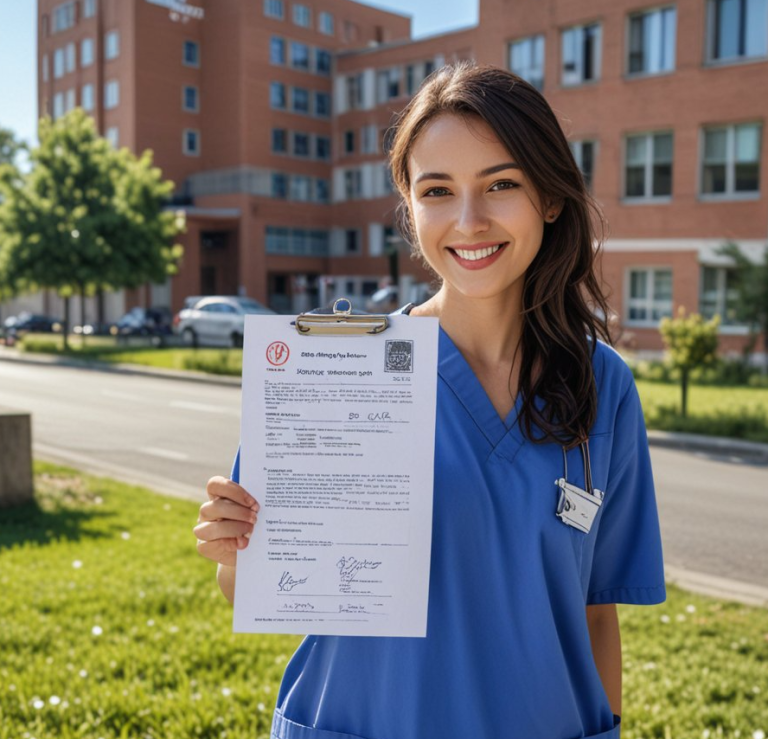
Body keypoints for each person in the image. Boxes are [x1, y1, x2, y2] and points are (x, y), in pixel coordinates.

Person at [193, 62, 666, 739]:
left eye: (501, 184)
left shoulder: (603, 386)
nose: (469, 221)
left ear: (551, 197)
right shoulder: (336, 366)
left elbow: (594, 611)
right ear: (411, 208)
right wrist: (239, 554)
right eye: (438, 190)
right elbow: (265, 588)